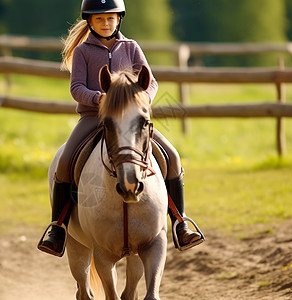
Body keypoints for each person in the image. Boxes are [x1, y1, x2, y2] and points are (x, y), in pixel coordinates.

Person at [38, 0, 204, 257]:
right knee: (65, 161)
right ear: (90, 23)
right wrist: (98, 99)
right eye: (100, 19)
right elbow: (76, 88)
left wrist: (141, 100)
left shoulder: (131, 47)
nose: (106, 24)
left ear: (119, 20)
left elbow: (151, 82)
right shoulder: (83, 52)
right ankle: (57, 228)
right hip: (95, 117)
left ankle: (180, 222)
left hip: (131, 120)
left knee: (171, 156)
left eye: (110, 19)